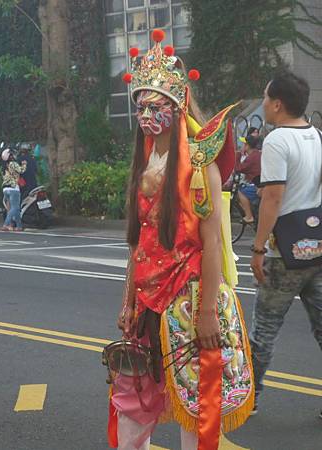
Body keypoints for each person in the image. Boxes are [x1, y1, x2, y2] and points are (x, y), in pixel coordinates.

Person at [111, 30, 254, 450]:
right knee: (133, 398)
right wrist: (127, 299)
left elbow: (212, 242)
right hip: (146, 302)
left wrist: (208, 310)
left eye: (155, 107)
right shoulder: (145, 159)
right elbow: (137, 243)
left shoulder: (200, 164)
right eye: (140, 106)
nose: (146, 115)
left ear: (177, 107)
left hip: (189, 301)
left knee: (197, 405)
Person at [249, 71, 322, 417]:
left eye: (265, 97)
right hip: (317, 248)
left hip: (283, 255)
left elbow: (274, 199)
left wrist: (258, 248)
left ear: (277, 104)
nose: (263, 103)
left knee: (264, 332)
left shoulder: (277, 141)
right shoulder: (317, 135)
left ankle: (247, 399)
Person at [236, 135, 262, 224]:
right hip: (261, 183)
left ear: (247, 146)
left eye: (243, 144)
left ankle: (249, 216)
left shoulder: (251, 158)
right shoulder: (257, 154)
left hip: (260, 186)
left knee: (241, 191)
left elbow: (238, 168)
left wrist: (238, 155)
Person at [1, 148, 26, 231]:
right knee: (14, 208)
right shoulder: (13, 164)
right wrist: (24, 164)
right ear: (10, 156)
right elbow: (21, 170)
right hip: (14, 188)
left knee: (15, 208)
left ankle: (19, 226)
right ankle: (6, 224)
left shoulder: (4, 167)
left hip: (5, 189)